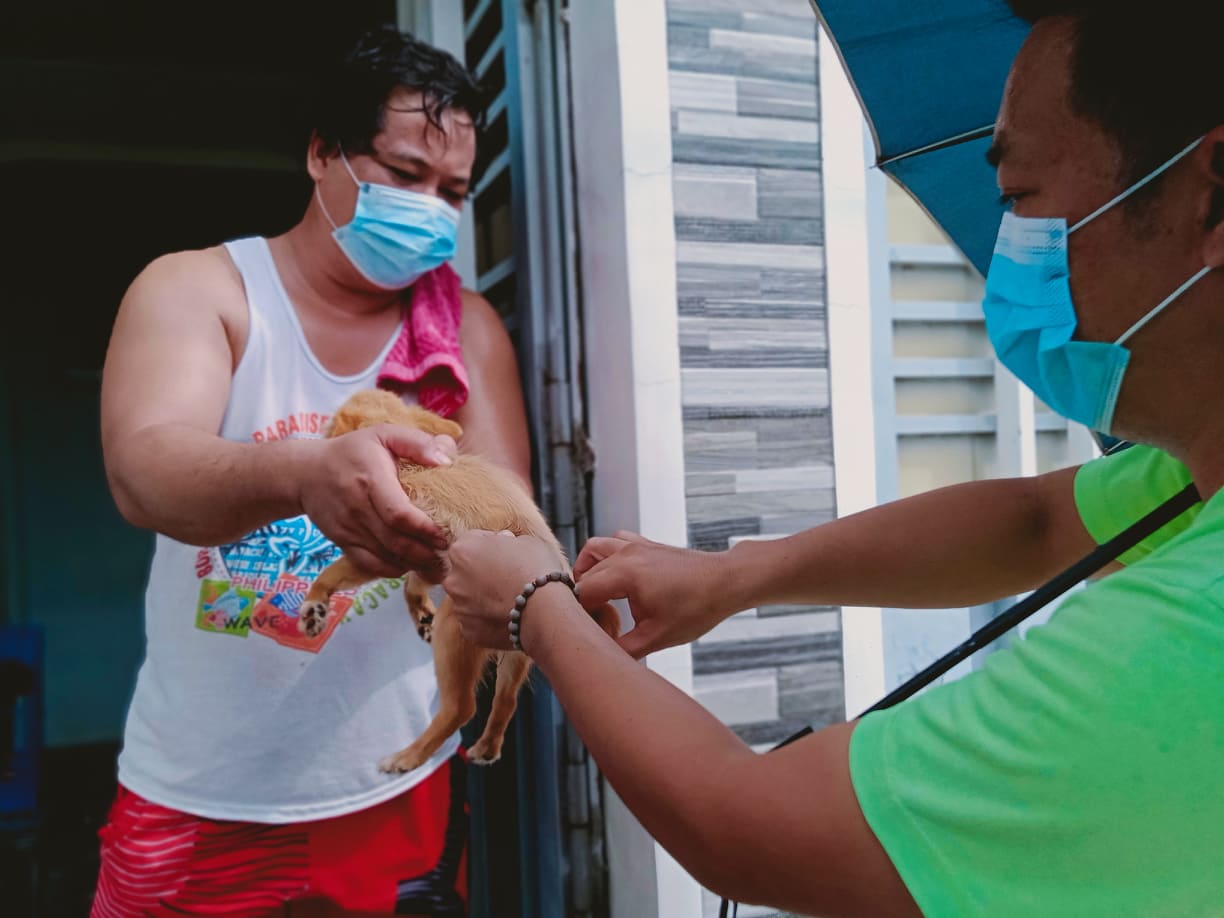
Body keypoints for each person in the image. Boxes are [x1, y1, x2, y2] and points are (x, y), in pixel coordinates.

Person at [441, 1, 1224, 914]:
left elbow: (744, 822)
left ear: (1212, 193)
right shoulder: (1190, 481)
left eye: (1021, 200)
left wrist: (539, 607)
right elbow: (1040, 519)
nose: (1014, 253)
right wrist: (734, 576)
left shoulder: (1189, 644)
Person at [92, 25, 530, 916]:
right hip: (205, 795)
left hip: (396, 786)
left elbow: (503, 525)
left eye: (454, 191)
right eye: (406, 176)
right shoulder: (200, 290)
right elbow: (145, 470)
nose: (434, 210)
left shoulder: (465, 332)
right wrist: (304, 474)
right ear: (323, 154)